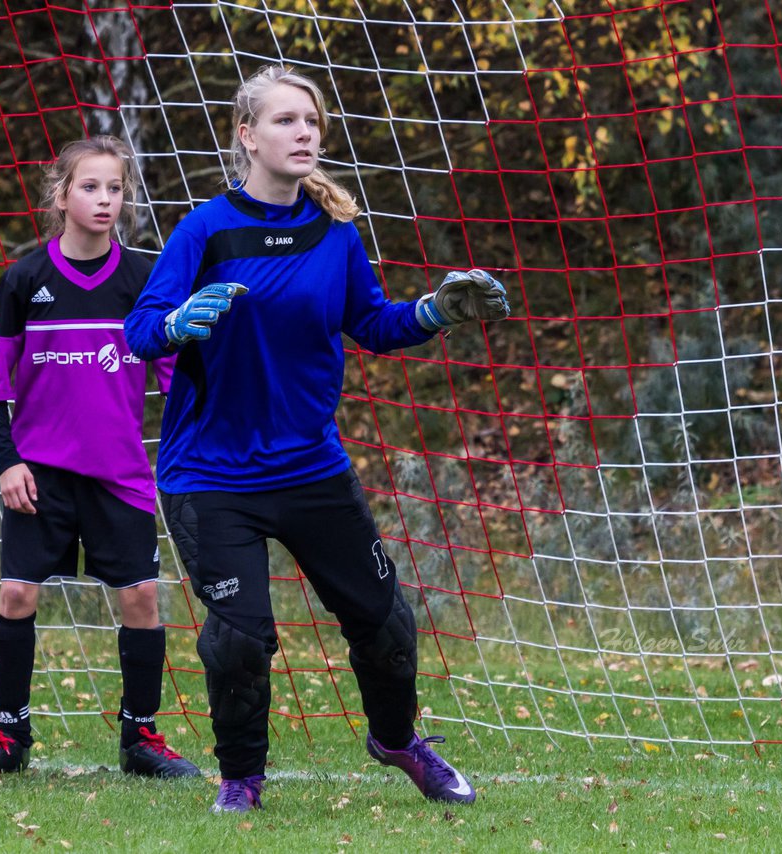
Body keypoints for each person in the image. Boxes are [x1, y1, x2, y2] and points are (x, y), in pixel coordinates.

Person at [123, 66, 509, 812]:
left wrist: (435, 311)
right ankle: (242, 781)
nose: (305, 133)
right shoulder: (205, 230)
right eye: (286, 120)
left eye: (313, 122)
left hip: (310, 468)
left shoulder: (334, 234)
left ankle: (398, 741)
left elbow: (370, 323)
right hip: (212, 475)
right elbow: (141, 330)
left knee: (386, 623)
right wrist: (175, 325)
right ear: (246, 134)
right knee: (238, 639)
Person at [0, 135, 198, 780]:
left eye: (115, 188)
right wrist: (8, 463)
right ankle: (9, 736)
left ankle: (141, 738)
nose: (104, 199)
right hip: (40, 474)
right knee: (15, 595)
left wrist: (186, 454)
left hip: (120, 473)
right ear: (61, 195)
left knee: (142, 598)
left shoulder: (144, 281)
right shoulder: (23, 280)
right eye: (89, 187)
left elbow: (179, 380)